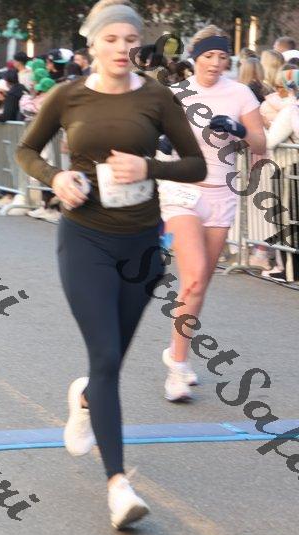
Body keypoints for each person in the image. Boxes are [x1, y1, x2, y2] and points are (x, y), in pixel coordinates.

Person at [16, 0, 206, 529]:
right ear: (93, 44)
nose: (122, 48)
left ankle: (84, 400)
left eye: (130, 40)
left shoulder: (157, 96)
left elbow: (195, 164)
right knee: (103, 355)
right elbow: (27, 150)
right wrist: (55, 177)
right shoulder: (68, 95)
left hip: (142, 246)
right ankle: (118, 485)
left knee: (109, 364)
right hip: (85, 240)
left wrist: (148, 166)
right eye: (112, 39)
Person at [159, 24, 266, 401]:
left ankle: (177, 350)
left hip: (222, 194)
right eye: (209, 56)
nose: (216, 63)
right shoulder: (177, 93)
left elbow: (261, 144)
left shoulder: (240, 93)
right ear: (195, 57)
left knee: (200, 284)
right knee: (191, 280)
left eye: (222, 56)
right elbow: (150, 132)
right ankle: (177, 368)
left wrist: (238, 129)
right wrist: (161, 141)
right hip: (182, 191)